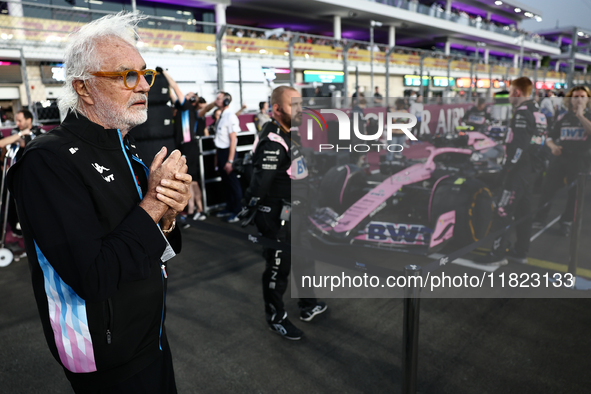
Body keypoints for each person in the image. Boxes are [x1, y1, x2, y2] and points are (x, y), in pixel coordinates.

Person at [6, 12, 191, 393]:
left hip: (150, 335)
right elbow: (93, 277)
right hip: (104, 356)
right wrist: (155, 203)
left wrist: (170, 215)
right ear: (84, 88)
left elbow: (161, 249)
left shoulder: (127, 147)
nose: (143, 86)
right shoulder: (47, 160)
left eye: (145, 74)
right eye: (127, 76)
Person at [241, 86, 327, 340]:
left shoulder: (289, 132)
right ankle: (276, 317)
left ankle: (308, 305)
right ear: (277, 109)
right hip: (277, 216)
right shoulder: (273, 140)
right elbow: (260, 182)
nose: (300, 111)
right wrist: (250, 207)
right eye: (294, 106)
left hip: (295, 214)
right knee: (279, 268)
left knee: (304, 260)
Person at [476, 77, 547, 265]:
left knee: (502, 210)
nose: (508, 96)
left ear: (517, 92)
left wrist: (506, 170)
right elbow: (538, 143)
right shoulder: (538, 112)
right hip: (531, 170)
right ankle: (520, 251)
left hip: (518, 171)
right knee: (524, 212)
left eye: (510, 92)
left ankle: (497, 255)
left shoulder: (522, 113)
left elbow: (519, 147)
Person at [533, 86, 591, 237]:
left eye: (582, 96)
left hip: (580, 160)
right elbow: (550, 136)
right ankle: (539, 218)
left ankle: (566, 222)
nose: (578, 99)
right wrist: (552, 147)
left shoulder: (589, 117)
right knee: (548, 188)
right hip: (561, 158)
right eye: (575, 96)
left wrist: (580, 116)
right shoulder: (563, 118)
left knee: (575, 193)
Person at [164, 71, 207, 222]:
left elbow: (175, 88)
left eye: (188, 95)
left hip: (189, 147)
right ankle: (196, 209)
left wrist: (164, 73)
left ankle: (196, 209)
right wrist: (165, 81)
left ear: (192, 99)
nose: (185, 96)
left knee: (191, 181)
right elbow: (172, 94)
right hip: (186, 147)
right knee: (191, 180)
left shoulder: (187, 106)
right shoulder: (184, 109)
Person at [199, 91, 243, 223]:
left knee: (233, 184)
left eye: (218, 98)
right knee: (226, 183)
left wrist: (230, 161)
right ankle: (229, 208)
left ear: (226, 101)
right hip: (221, 153)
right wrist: (217, 160)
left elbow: (233, 140)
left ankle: (237, 211)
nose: (216, 100)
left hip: (229, 154)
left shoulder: (230, 116)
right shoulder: (222, 116)